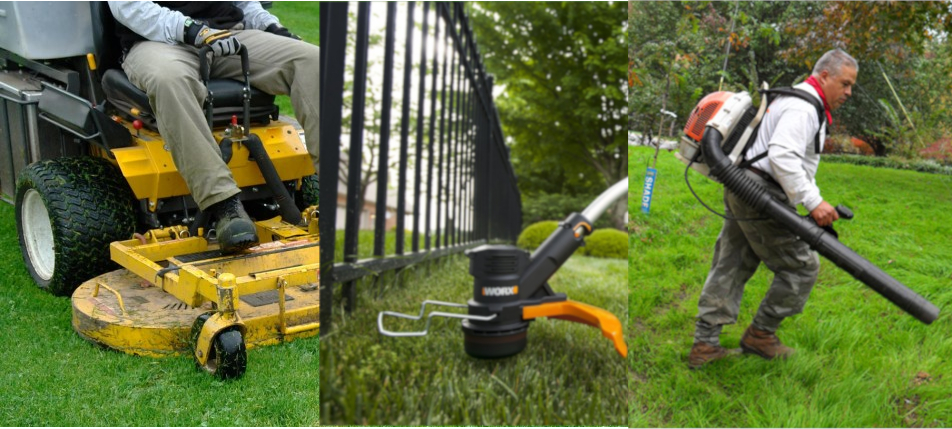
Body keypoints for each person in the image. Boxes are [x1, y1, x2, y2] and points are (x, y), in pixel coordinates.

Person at [688, 48, 858, 369]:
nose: (848, 92)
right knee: (801, 268)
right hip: (762, 192)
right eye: (845, 83)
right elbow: (781, 156)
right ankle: (760, 335)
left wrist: (811, 197)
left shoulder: (795, 99)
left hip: (744, 186)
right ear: (824, 76)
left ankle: (705, 345)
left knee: (733, 261)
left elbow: (789, 159)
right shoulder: (804, 109)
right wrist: (813, 202)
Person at [107, 1, 319, 253]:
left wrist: (272, 27)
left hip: (228, 37)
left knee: (314, 61)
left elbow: (243, 3)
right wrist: (192, 30)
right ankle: (224, 204)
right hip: (157, 43)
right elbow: (129, 8)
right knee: (170, 80)